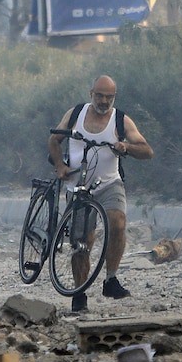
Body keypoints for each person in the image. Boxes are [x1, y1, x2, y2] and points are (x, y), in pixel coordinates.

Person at [48, 74, 153, 312]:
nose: (104, 101)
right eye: (100, 95)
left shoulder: (121, 120)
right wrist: (60, 166)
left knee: (117, 223)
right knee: (82, 242)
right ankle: (79, 291)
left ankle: (111, 279)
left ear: (114, 97)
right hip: (77, 187)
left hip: (108, 184)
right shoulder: (75, 114)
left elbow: (147, 151)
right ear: (91, 94)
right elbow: (54, 140)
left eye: (109, 97)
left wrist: (126, 146)